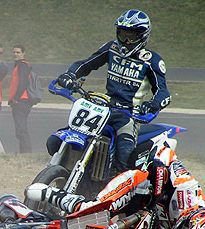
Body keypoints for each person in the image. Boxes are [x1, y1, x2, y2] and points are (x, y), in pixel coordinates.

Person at [25, 145, 205, 229]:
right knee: (94, 210)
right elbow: (164, 152)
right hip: (138, 188)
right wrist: (157, 188)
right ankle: (54, 195)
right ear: (189, 221)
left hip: (152, 223)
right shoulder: (187, 193)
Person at [50, 10, 171, 172]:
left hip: (129, 115)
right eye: (123, 35)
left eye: (132, 36)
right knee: (54, 141)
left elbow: (164, 93)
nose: (127, 41)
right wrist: (70, 75)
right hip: (103, 108)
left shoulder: (152, 61)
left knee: (125, 157)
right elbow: (87, 64)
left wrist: (152, 105)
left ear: (142, 36)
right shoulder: (111, 48)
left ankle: (121, 189)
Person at [8, 44, 32, 153]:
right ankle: (24, 152)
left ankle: (26, 152)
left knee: (21, 129)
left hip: (21, 101)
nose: (15, 54)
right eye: (14, 52)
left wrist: (16, 98)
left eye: (18, 52)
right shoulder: (18, 65)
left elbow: (24, 82)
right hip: (20, 100)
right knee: (20, 129)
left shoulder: (23, 65)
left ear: (23, 53)